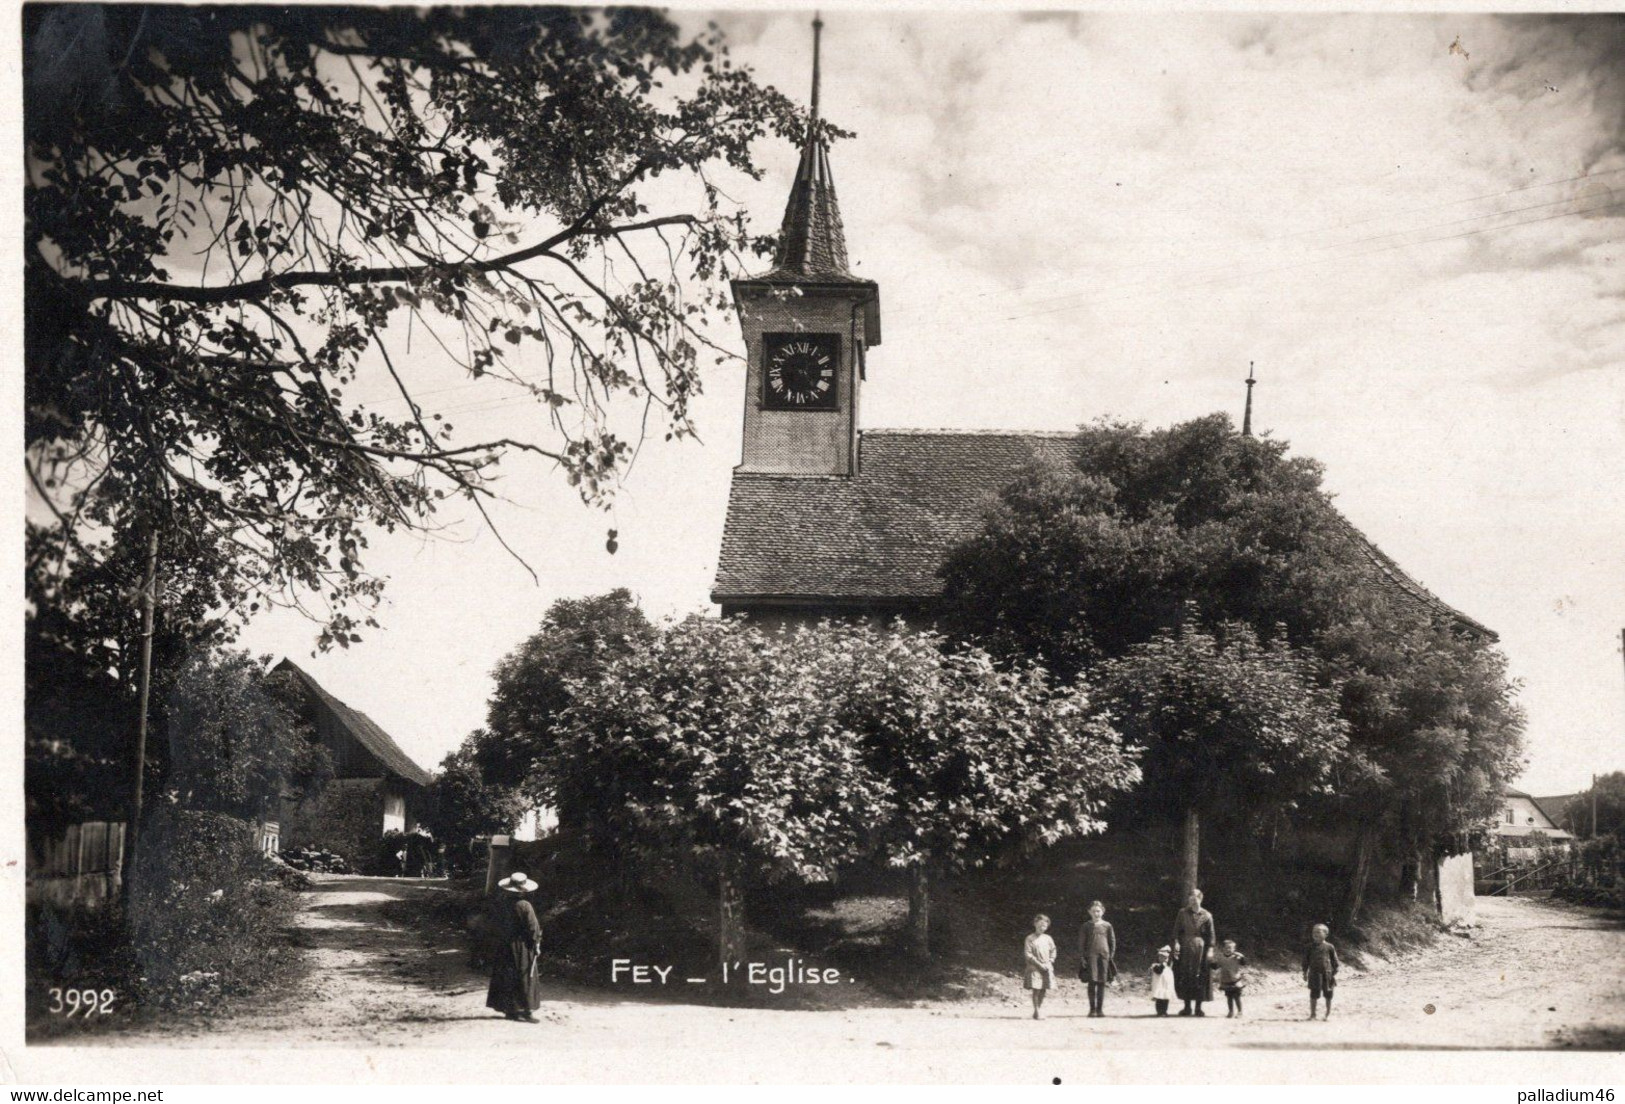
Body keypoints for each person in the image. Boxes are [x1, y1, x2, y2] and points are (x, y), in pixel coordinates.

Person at [486, 871, 543, 1023]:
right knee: (525, 976)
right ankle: (527, 1011)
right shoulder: (525, 905)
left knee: (506, 976)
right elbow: (533, 928)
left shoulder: (501, 903)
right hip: (522, 946)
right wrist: (536, 944)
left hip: (504, 945)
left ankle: (510, 1010)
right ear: (524, 889)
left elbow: (494, 924)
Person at [1171, 888, 1216, 1016]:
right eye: (1190, 899)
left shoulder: (1207, 916)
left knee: (1200, 976)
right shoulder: (1182, 913)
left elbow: (1211, 935)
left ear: (1200, 899)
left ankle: (1198, 1008)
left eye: (1195, 898)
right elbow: (1176, 931)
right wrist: (1177, 943)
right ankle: (1187, 1007)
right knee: (1186, 975)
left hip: (1201, 949)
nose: (1192, 901)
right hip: (1185, 948)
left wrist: (1211, 950)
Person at [1077, 900, 1117, 1018]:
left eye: (1098, 911)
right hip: (1091, 957)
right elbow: (1081, 943)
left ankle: (1100, 1010)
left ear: (1103, 911)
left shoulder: (1107, 925)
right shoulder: (1086, 926)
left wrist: (1111, 956)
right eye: (1094, 911)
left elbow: (1112, 941)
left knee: (1101, 982)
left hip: (1103, 957)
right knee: (1092, 982)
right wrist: (1082, 956)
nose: (1096, 913)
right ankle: (1092, 1009)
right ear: (1089, 912)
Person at [1023, 913, 1058, 1020]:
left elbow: (1053, 950)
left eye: (1044, 926)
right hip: (1034, 967)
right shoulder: (1030, 938)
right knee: (1036, 989)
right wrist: (1039, 964)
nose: (1042, 927)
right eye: (1040, 925)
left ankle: (1038, 1010)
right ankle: (1037, 1011)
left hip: (1046, 967)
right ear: (1035, 924)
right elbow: (1028, 954)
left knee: (1043, 989)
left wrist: (1050, 961)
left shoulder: (1048, 938)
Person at [1303, 922, 1340, 1021]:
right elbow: (1305, 961)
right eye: (1314, 932)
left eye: (1319, 932)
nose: (1315, 934)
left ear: (1326, 934)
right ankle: (1312, 1014)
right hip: (1314, 974)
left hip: (1327, 974)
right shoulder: (1309, 947)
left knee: (1328, 995)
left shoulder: (1329, 947)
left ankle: (1327, 1014)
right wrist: (1304, 972)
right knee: (1313, 994)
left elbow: (1335, 961)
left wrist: (1334, 973)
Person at [1212, 938, 1247, 1018]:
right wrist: (1210, 961)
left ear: (1234, 949)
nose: (1228, 949)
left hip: (1235, 980)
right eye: (1226, 947)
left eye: (1231, 948)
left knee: (1237, 997)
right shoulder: (1221, 958)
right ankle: (1230, 1011)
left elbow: (1244, 963)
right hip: (1226, 981)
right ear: (1223, 949)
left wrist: (1242, 956)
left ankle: (1240, 1012)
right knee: (1229, 997)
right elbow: (1216, 966)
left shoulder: (1236, 957)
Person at [1148, 945, 1177, 1016]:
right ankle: (1159, 1011)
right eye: (1161, 957)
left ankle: (1164, 1011)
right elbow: (1158, 971)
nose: (1163, 959)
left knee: (1166, 1000)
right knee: (1159, 999)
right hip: (1159, 986)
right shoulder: (1155, 966)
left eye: (1165, 957)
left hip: (1166, 986)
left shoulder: (1168, 967)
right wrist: (1162, 965)